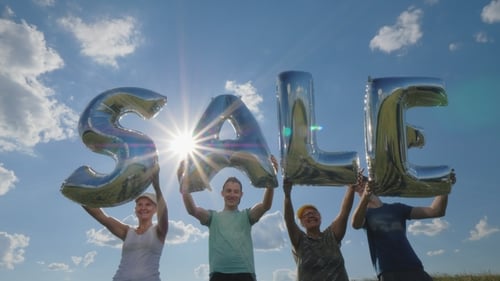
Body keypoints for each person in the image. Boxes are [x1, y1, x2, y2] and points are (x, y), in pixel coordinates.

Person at [179, 156, 278, 281]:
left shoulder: (247, 216)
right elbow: (192, 210)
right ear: (222, 193)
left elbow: (265, 205)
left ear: (241, 195)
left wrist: (271, 177)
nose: (232, 195)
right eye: (229, 191)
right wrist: (183, 182)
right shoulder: (213, 217)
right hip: (218, 275)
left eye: (236, 192)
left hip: (245, 274)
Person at [351, 172, 456, 281]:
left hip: (415, 268)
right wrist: (365, 197)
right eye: (358, 187)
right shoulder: (365, 213)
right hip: (389, 272)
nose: (362, 187)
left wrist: (445, 186)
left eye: (364, 183)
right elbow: (355, 224)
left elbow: (436, 211)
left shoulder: (398, 208)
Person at [83, 170, 168, 281]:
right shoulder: (127, 232)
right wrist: (79, 195)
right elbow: (101, 216)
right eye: (139, 205)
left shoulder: (159, 231)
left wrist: (157, 188)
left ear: (155, 209)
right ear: (135, 209)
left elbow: (164, 214)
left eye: (148, 205)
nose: (143, 208)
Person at [282, 177, 356, 281]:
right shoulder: (300, 240)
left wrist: (352, 187)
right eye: (306, 215)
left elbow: (344, 212)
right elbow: (289, 220)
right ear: (302, 223)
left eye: (314, 213)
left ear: (320, 218)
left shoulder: (331, 236)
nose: (310, 215)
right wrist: (287, 195)